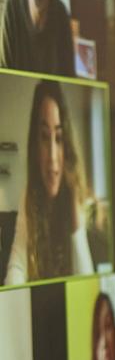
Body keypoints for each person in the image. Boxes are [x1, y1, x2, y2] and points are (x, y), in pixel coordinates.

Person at [4, 78, 94, 286]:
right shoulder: (29, 195)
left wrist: (76, 225)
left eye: (59, 139)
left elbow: (89, 287)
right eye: (44, 137)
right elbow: (16, 268)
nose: (52, 156)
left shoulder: (80, 200)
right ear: (35, 144)